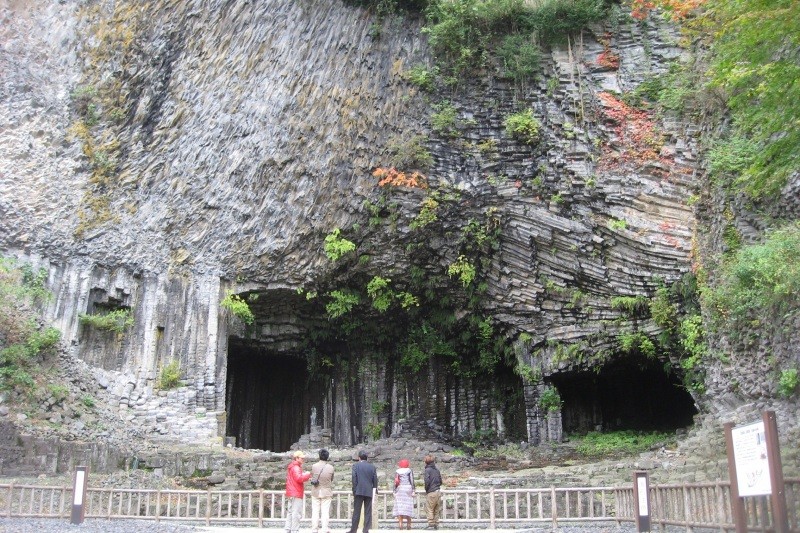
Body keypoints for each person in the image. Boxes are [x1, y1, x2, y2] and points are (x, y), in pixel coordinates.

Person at [347, 450, 378, 533]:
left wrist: (354, 490)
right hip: (369, 491)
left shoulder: (355, 466)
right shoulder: (372, 467)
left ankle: (353, 530)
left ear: (359, 458)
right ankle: (366, 530)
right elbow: (375, 480)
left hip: (358, 490)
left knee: (356, 511)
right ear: (367, 458)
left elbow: (354, 479)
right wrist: (375, 490)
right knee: (368, 511)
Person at [284, 450, 311, 533]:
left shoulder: (292, 467)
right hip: (296, 492)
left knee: (290, 512)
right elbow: (299, 478)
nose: (303, 459)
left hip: (291, 492)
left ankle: (288, 529)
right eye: (301, 458)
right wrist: (307, 474)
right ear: (297, 458)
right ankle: (295, 530)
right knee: (296, 513)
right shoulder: (296, 467)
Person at [310, 448, 335, 533]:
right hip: (326, 492)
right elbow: (331, 479)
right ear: (327, 457)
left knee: (315, 511)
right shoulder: (331, 468)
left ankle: (314, 529)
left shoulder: (314, 466)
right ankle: (324, 529)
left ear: (319, 456)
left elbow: (313, 477)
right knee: (325, 511)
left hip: (316, 491)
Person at [392, 458, 415, 530]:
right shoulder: (409, 471)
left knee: (400, 506)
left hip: (400, 488)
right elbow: (411, 480)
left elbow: (395, 482)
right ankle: (409, 523)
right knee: (408, 506)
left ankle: (400, 524)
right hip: (408, 488)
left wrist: (394, 491)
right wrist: (413, 490)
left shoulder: (397, 471)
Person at [423, 454, 442, 530]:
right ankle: (436, 524)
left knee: (430, 509)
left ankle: (431, 524)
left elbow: (427, 481)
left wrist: (427, 490)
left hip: (431, 492)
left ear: (426, 462)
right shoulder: (437, 470)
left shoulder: (427, 470)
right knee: (436, 509)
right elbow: (440, 481)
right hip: (438, 491)